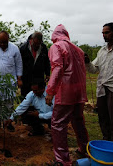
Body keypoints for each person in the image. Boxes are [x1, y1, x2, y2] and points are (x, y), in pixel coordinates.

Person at [45, 24, 89, 166]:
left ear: (54, 36)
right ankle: (85, 149)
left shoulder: (56, 47)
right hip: (79, 92)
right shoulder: (78, 50)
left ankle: (62, 160)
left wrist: (50, 91)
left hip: (66, 92)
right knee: (78, 120)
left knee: (58, 124)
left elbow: (57, 68)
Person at [19, 32, 51, 97]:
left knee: (39, 97)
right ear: (31, 39)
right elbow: (19, 64)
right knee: (25, 97)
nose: (36, 46)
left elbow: (47, 61)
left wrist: (47, 74)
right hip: (26, 78)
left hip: (39, 78)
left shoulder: (43, 48)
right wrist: (19, 78)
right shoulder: (23, 48)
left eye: (38, 44)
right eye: (35, 44)